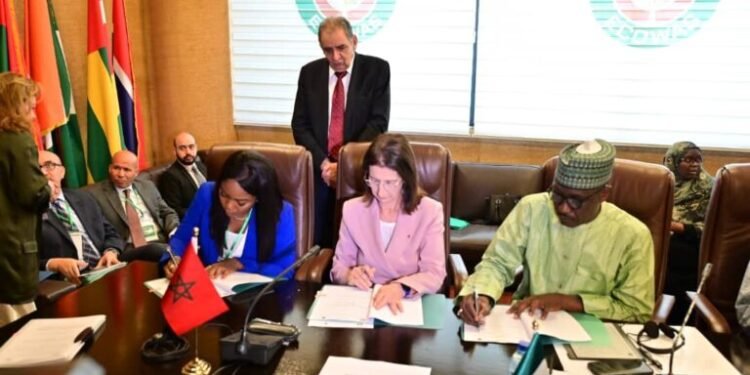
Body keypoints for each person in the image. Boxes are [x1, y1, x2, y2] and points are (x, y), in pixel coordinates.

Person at [457, 139, 654, 325]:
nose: (563, 208)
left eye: (576, 201)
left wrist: (569, 302)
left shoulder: (633, 234)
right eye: (557, 195)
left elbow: (635, 309)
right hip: (528, 324)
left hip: (597, 333)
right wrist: (482, 294)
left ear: (603, 194)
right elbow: (498, 262)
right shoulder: (532, 209)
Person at [291, 16, 390, 248]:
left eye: (341, 48)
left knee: (355, 242)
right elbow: (300, 125)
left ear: (354, 41)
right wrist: (325, 166)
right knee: (317, 242)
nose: (335, 57)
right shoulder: (309, 73)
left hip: (357, 173)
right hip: (319, 173)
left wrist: (344, 164)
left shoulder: (377, 70)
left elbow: (378, 123)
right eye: (328, 50)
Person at [331, 134, 446, 314]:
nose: (381, 192)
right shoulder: (352, 210)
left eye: (390, 183)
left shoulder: (429, 212)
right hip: (363, 304)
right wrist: (350, 275)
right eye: (374, 181)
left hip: (407, 304)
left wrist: (401, 287)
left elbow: (435, 273)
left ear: (406, 180)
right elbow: (339, 267)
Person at [164, 150, 296, 279]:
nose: (228, 206)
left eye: (241, 202)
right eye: (223, 194)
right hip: (209, 289)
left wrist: (239, 264)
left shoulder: (281, 213)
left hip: (254, 296)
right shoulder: (207, 194)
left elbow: (285, 269)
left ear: (258, 198)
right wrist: (174, 259)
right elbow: (181, 239)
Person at [0, 73, 52, 326]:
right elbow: (33, 194)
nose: (33, 115)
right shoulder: (16, 139)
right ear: (15, 104)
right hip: (10, 251)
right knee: (19, 335)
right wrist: (48, 185)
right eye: (30, 107)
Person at [38, 150, 123, 284]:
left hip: (104, 266)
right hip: (70, 278)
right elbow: (24, 261)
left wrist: (111, 252)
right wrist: (53, 264)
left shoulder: (83, 197)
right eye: (37, 169)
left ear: (62, 172)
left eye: (49, 166)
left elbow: (110, 232)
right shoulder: (28, 212)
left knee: (154, 251)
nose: (43, 173)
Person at [88, 150, 179, 261]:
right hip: (129, 248)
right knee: (160, 251)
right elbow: (98, 230)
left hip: (160, 240)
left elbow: (167, 212)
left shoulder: (147, 186)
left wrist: (173, 232)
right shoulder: (96, 195)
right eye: (116, 168)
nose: (121, 174)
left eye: (126, 170)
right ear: (109, 168)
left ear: (136, 172)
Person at [662, 141, 714, 324]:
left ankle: (674, 321)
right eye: (688, 160)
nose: (695, 164)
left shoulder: (709, 188)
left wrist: (679, 227)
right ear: (673, 161)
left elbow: (712, 228)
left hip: (693, 246)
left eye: (699, 160)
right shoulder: (661, 183)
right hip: (661, 241)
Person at [157, 132, 208, 218]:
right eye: (182, 148)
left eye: (191, 147)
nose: (188, 152)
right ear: (175, 151)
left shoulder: (201, 166)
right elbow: (174, 210)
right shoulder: (170, 176)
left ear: (196, 147)